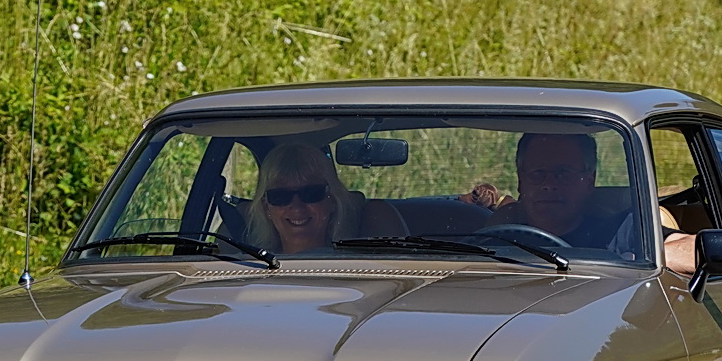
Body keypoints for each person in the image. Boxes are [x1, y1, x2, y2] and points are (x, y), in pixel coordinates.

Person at [462, 133, 696, 274]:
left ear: (589, 181)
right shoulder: (488, 243)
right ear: (520, 181)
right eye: (537, 173)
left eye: (563, 173)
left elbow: (687, 248)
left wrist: (641, 258)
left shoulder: (622, 230)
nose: (549, 184)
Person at [242, 142, 404, 254]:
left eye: (311, 193)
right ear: (266, 207)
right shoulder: (243, 271)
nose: (297, 207)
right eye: (280, 196)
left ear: (333, 200)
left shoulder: (362, 269)